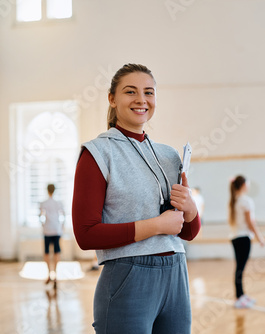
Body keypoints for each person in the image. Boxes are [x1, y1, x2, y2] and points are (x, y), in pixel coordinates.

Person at [72, 63, 201, 334]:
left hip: (176, 274)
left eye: (149, 93)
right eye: (130, 92)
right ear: (112, 99)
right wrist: (156, 225)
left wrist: (190, 208)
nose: (141, 99)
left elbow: (187, 232)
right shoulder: (97, 154)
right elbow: (86, 235)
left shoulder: (169, 155)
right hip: (127, 277)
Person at [228, 175, 265, 308]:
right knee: (240, 268)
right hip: (243, 238)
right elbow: (251, 222)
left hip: (235, 237)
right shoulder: (245, 201)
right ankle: (239, 297)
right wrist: (260, 237)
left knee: (239, 268)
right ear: (244, 185)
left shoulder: (235, 200)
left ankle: (241, 295)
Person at [40, 183, 65, 286]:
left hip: (47, 230)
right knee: (56, 253)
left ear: (47, 190)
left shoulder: (43, 203)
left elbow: (41, 216)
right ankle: (56, 275)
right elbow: (63, 216)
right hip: (56, 230)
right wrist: (61, 227)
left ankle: (49, 275)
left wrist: (43, 225)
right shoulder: (58, 203)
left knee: (46, 253)